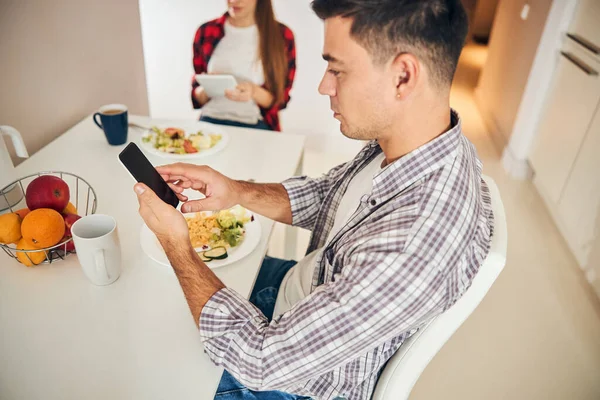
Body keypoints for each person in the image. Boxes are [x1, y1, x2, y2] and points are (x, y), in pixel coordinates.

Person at [137, 0, 494, 399]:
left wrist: (176, 245)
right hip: (299, 291)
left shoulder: (417, 241)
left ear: (403, 77)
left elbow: (260, 361)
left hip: (291, 382)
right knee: (152, 306)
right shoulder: (414, 140)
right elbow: (328, 193)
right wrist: (235, 191)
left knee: (142, 362)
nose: (324, 86)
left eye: (337, 69)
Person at [191, 0, 296, 131]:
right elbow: (196, 93)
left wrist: (253, 91)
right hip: (210, 119)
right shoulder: (205, 31)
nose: (234, 1)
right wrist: (207, 88)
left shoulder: (282, 36)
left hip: (256, 122)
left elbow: (280, 99)